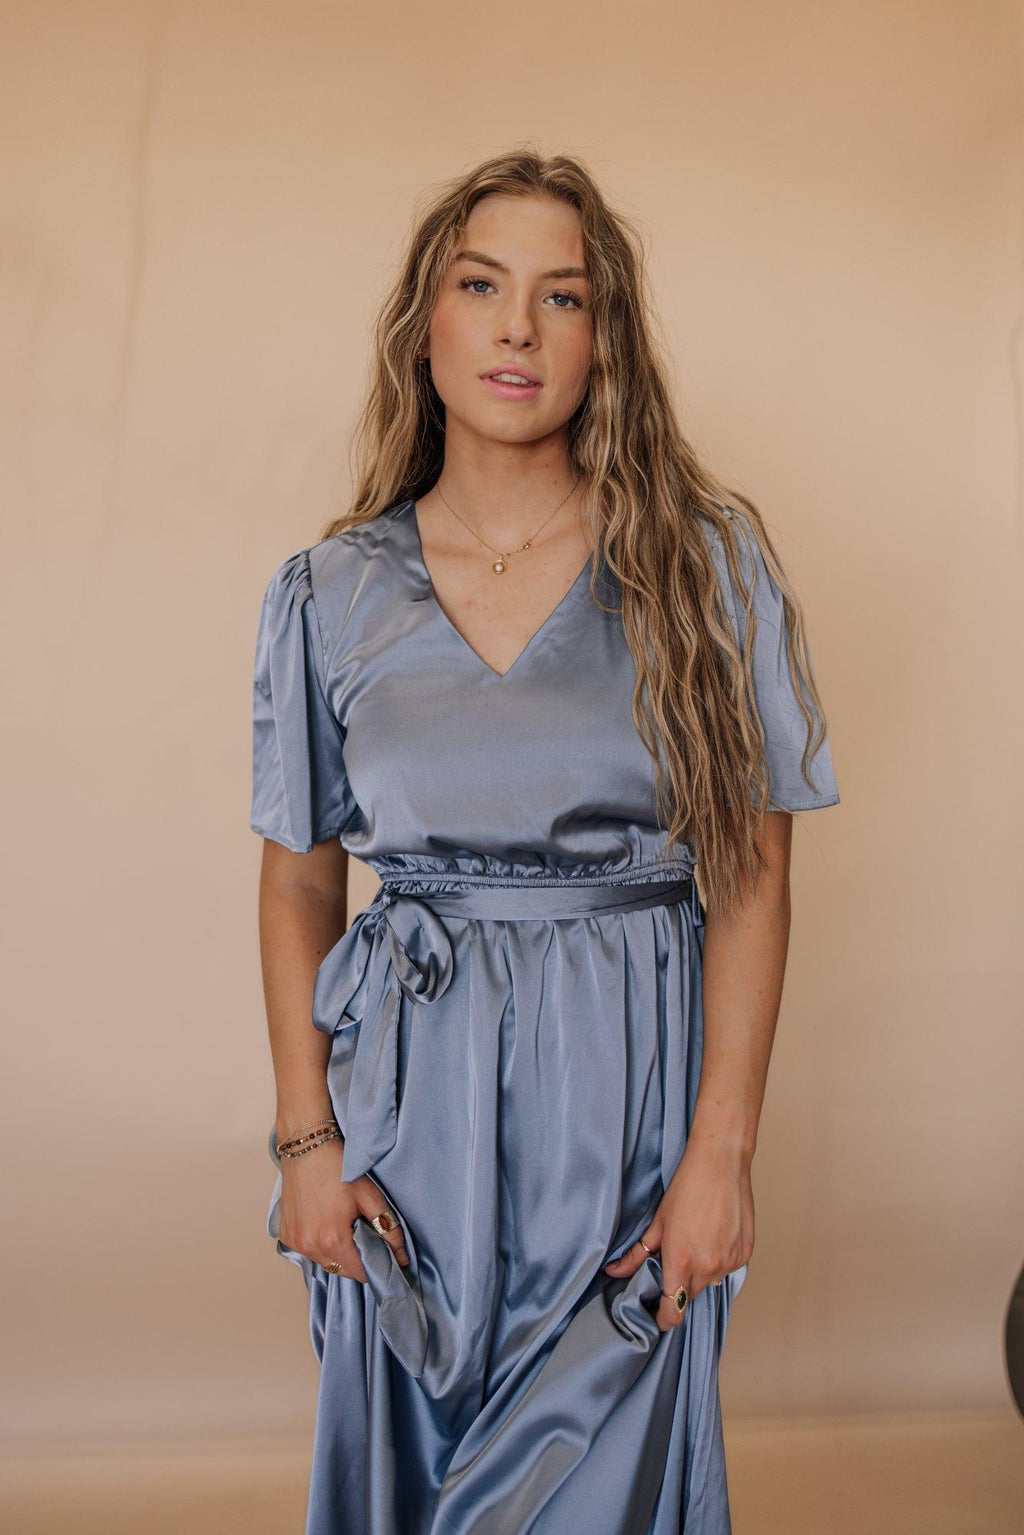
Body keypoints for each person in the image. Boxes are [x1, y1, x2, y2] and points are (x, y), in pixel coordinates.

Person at [249, 149, 840, 1535]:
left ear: (603, 339)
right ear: (426, 326)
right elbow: (299, 880)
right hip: (409, 1114)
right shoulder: (330, 592)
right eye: (482, 286)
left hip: (624, 1115)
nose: (519, 326)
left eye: (562, 296)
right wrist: (306, 1142)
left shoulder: (704, 568)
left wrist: (722, 1154)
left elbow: (753, 876)